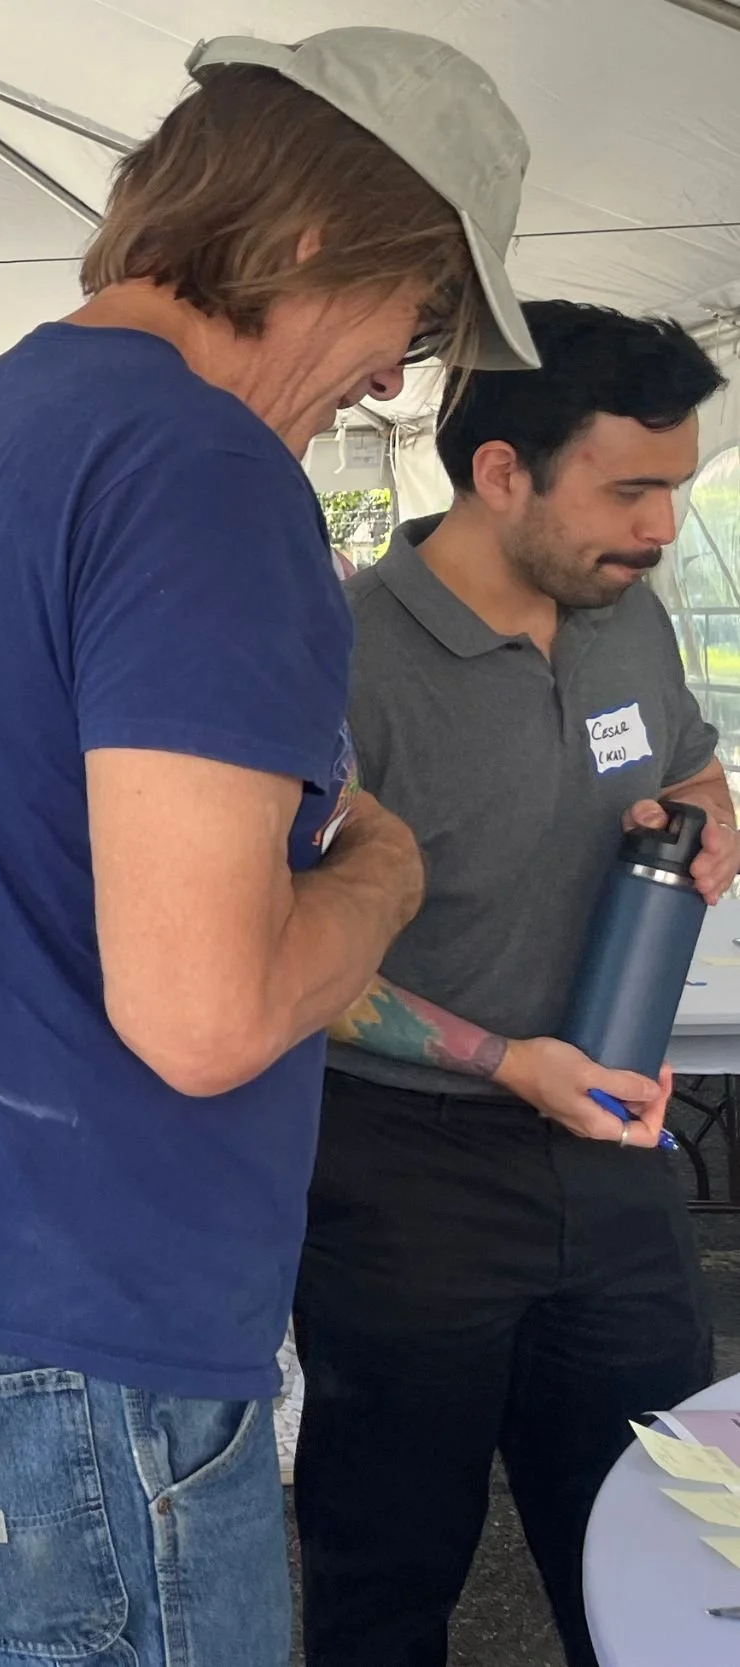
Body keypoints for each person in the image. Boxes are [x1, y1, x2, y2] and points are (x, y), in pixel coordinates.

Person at [0, 28, 536, 1663]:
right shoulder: (213, 475)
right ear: (320, 235)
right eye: (426, 312)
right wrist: (381, 869)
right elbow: (206, 1016)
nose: (402, 373)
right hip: (77, 1325)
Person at [298, 301, 731, 1667]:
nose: (662, 526)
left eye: (679, 488)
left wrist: (700, 824)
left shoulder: (626, 618)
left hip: (608, 1143)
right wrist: (506, 1057)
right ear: (501, 472)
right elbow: (287, 952)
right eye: (633, 487)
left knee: (670, 1545)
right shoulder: (339, 659)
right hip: (397, 1171)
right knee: (389, 1562)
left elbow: (688, 768)